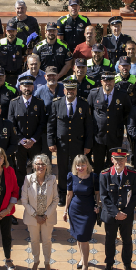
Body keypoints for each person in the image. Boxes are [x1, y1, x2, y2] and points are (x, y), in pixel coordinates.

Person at [48, 77, 93, 206]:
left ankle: (76, 192)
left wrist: (88, 145)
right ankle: (62, 194)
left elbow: (89, 126)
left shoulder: (83, 104)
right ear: (64, 90)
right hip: (61, 144)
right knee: (62, 169)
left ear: (76, 90)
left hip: (78, 143)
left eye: (73, 89)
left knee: (78, 168)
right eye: (68, 89)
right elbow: (51, 124)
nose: (70, 91)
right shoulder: (56, 103)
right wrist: (51, 141)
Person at [101, 149, 136, 270]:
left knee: (127, 240)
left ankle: (127, 264)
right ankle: (109, 264)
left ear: (126, 160)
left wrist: (125, 213)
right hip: (111, 216)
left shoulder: (133, 174)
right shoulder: (105, 175)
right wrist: (116, 213)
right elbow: (103, 197)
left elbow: (135, 196)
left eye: (122, 159)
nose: (119, 162)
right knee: (110, 241)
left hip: (126, 216)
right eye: (117, 159)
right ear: (112, 160)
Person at [87, 71, 132, 173]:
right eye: (106, 80)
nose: (108, 83)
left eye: (110, 80)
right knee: (98, 165)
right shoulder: (94, 94)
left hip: (115, 136)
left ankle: (112, 187)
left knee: (114, 164)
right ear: (101, 81)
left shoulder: (122, 95)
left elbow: (127, 112)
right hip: (98, 136)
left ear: (114, 81)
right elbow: (88, 113)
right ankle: (99, 187)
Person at [21, 154, 58, 270]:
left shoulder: (52, 179)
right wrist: (36, 215)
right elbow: (24, 200)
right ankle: (36, 261)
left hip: (48, 217)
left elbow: (56, 199)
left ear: (47, 166)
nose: (40, 166)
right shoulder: (28, 179)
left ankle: (47, 262)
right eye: (38, 164)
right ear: (33, 166)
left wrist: (46, 215)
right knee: (34, 240)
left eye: (43, 164)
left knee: (47, 240)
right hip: (33, 218)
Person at [63, 154, 100, 270]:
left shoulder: (93, 177)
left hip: (88, 211)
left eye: (83, 165)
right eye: (78, 165)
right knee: (79, 237)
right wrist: (65, 211)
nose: (80, 167)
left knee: (84, 238)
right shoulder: (71, 176)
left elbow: (97, 194)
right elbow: (69, 195)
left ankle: (85, 265)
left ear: (87, 165)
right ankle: (82, 259)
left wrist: (98, 206)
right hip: (74, 210)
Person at [8, 75, 47, 188]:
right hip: (20, 144)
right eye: (24, 86)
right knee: (20, 168)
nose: (27, 88)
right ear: (20, 87)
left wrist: (33, 139)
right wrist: (21, 139)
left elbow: (42, 124)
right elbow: (12, 124)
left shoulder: (39, 103)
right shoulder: (14, 103)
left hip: (35, 143)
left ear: (33, 87)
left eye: (29, 85)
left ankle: (36, 189)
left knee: (37, 167)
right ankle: (21, 189)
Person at [0, 20, 26, 85]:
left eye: (13, 31)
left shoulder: (22, 43)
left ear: (16, 32)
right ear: (6, 32)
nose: (11, 33)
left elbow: (25, 57)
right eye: (9, 31)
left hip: (17, 74)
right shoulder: (0, 44)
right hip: (4, 74)